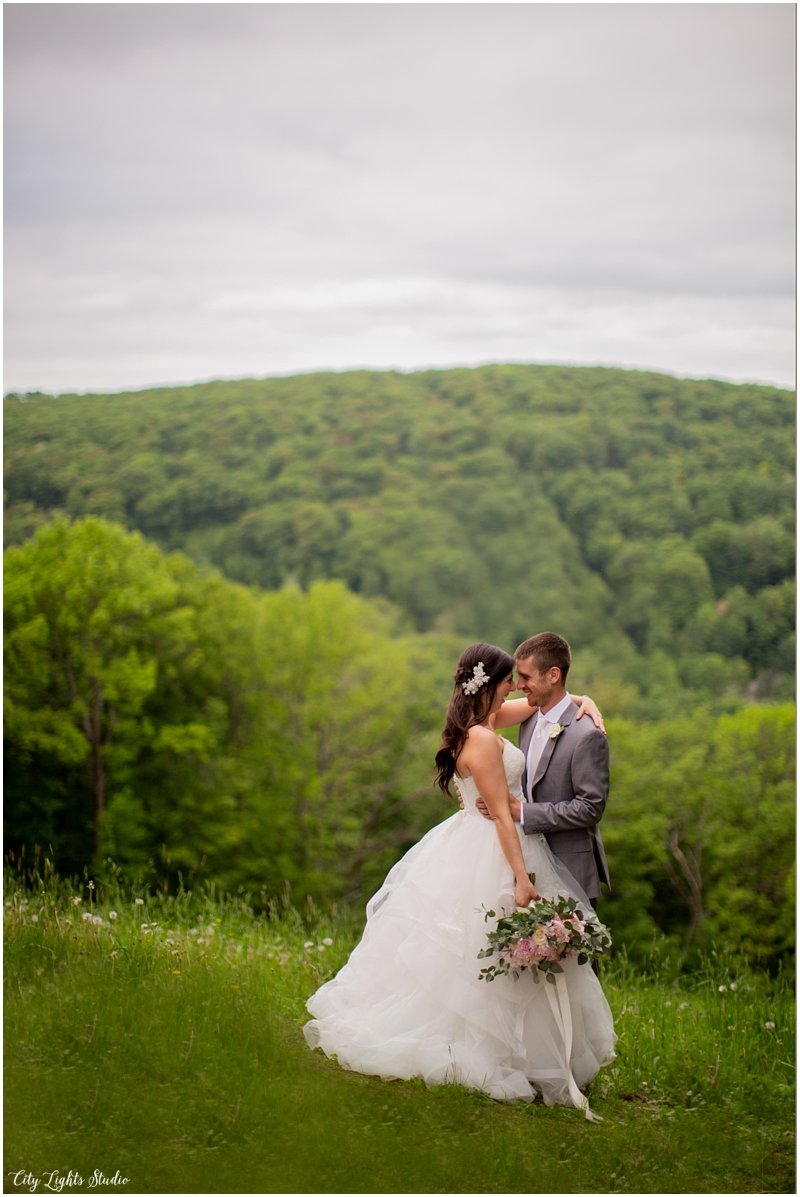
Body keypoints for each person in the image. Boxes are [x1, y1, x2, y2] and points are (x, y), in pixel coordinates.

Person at [303, 642, 616, 1108]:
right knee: (481, 953)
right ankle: (497, 1051)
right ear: (492, 684)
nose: (518, 688)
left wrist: (584, 702)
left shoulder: (484, 723)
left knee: (485, 954)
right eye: (511, 680)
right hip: (494, 846)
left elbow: (543, 705)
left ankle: (527, 1052)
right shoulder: (484, 739)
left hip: (472, 838)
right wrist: (521, 879)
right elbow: (505, 820)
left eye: (523, 679)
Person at [475, 632, 610, 907]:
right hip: (526, 865)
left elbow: (590, 807)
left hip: (571, 871)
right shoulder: (528, 717)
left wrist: (521, 812)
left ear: (553, 675)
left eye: (526, 677)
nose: (518, 685)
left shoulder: (587, 735)